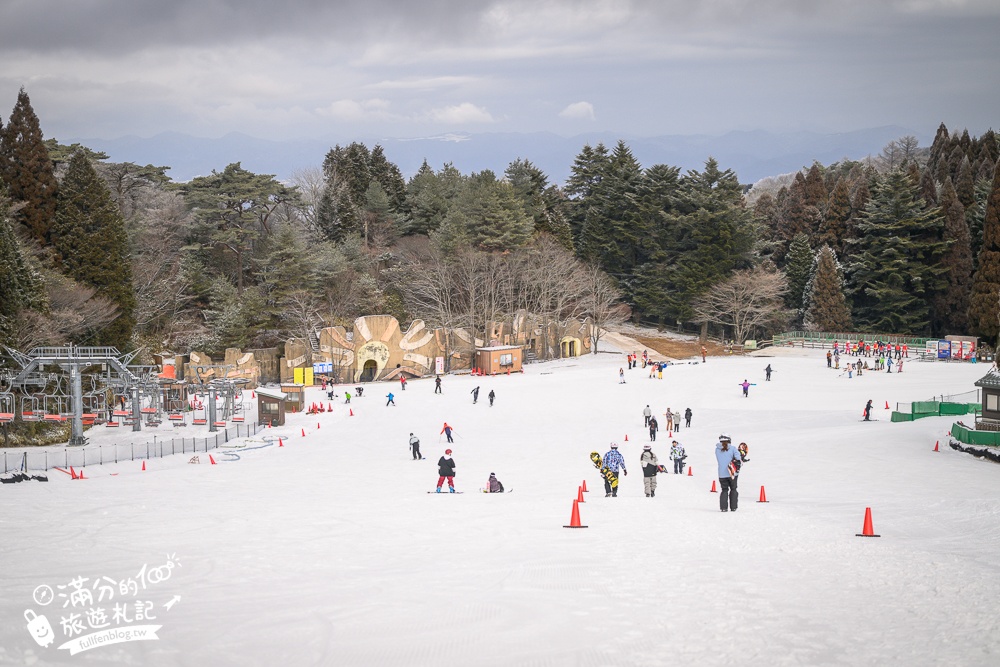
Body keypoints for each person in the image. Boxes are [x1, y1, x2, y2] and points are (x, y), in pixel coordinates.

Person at [715, 435, 741, 512]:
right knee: (733, 489)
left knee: (724, 490)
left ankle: (723, 508)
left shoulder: (717, 450)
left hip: (721, 474)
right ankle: (733, 507)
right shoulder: (733, 449)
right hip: (732, 473)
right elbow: (738, 459)